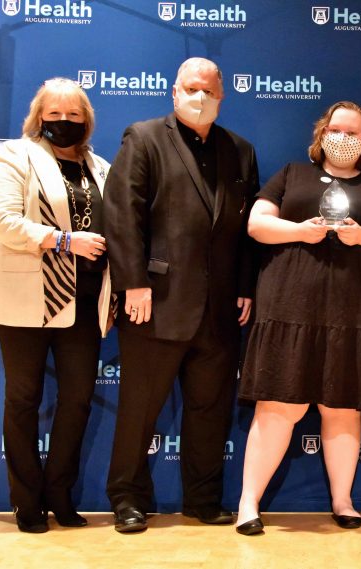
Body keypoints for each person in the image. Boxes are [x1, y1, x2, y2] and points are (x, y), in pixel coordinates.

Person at [235, 101, 361, 535]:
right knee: (279, 404)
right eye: (336, 129)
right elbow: (258, 225)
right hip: (290, 307)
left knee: (342, 406)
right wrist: (301, 230)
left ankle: (342, 500)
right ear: (321, 134)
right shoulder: (292, 174)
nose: (344, 137)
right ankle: (248, 503)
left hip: (355, 314)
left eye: (353, 132)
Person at [103, 58, 258, 533]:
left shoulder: (241, 151)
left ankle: (204, 499)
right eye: (191, 88)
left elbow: (246, 228)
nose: (200, 97)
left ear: (222, 95)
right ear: (174, 92)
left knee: (210, 411)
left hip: (219, 309)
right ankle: (128, 497)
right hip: (154, 301)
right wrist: (132, 282)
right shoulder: (144, 137)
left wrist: (246, 287)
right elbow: (122, 213)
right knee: (139, 407)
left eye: (208, 90)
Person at [0, 78, 112, 533]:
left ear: (87, 121)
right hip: (25, 300)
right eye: (54, 115)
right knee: (23, 400)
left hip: (83, 303)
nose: (64, 122)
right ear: (39, 117)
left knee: (77, 402)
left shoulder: (102, 167)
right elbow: (2, 220)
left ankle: (60, 494)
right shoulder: (17, 155)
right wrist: (61, 240)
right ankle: (26, 500)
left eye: (74, 115)